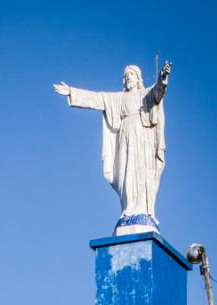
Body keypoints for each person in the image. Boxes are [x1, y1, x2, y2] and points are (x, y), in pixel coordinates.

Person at [53, 62, 171, 227]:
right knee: (125, 171)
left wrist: (163, 77)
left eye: (131, 75)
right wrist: (71, 92)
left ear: (138, 79)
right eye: (126, 75)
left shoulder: (145, 94)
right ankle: (128, 209)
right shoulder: (117, 98)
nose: (128, 78)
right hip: (124, 135)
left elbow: (158, 91)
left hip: (141, 136)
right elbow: (96, 98)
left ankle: (142, 210)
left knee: (140, 171)